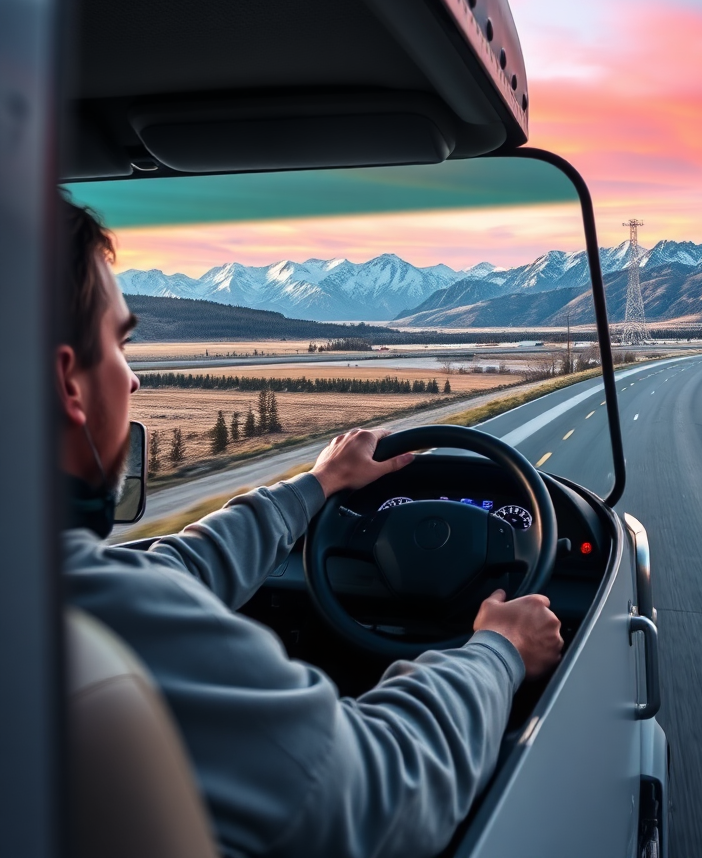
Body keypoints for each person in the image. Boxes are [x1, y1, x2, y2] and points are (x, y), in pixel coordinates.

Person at [59, 199, 563, 858]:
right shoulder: (79, 618)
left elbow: (171, 570)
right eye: (121, 345)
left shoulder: (73, 587)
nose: (132, 378)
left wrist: (318, 484)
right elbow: (382, 793)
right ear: (69, 382)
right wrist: (497, 653)